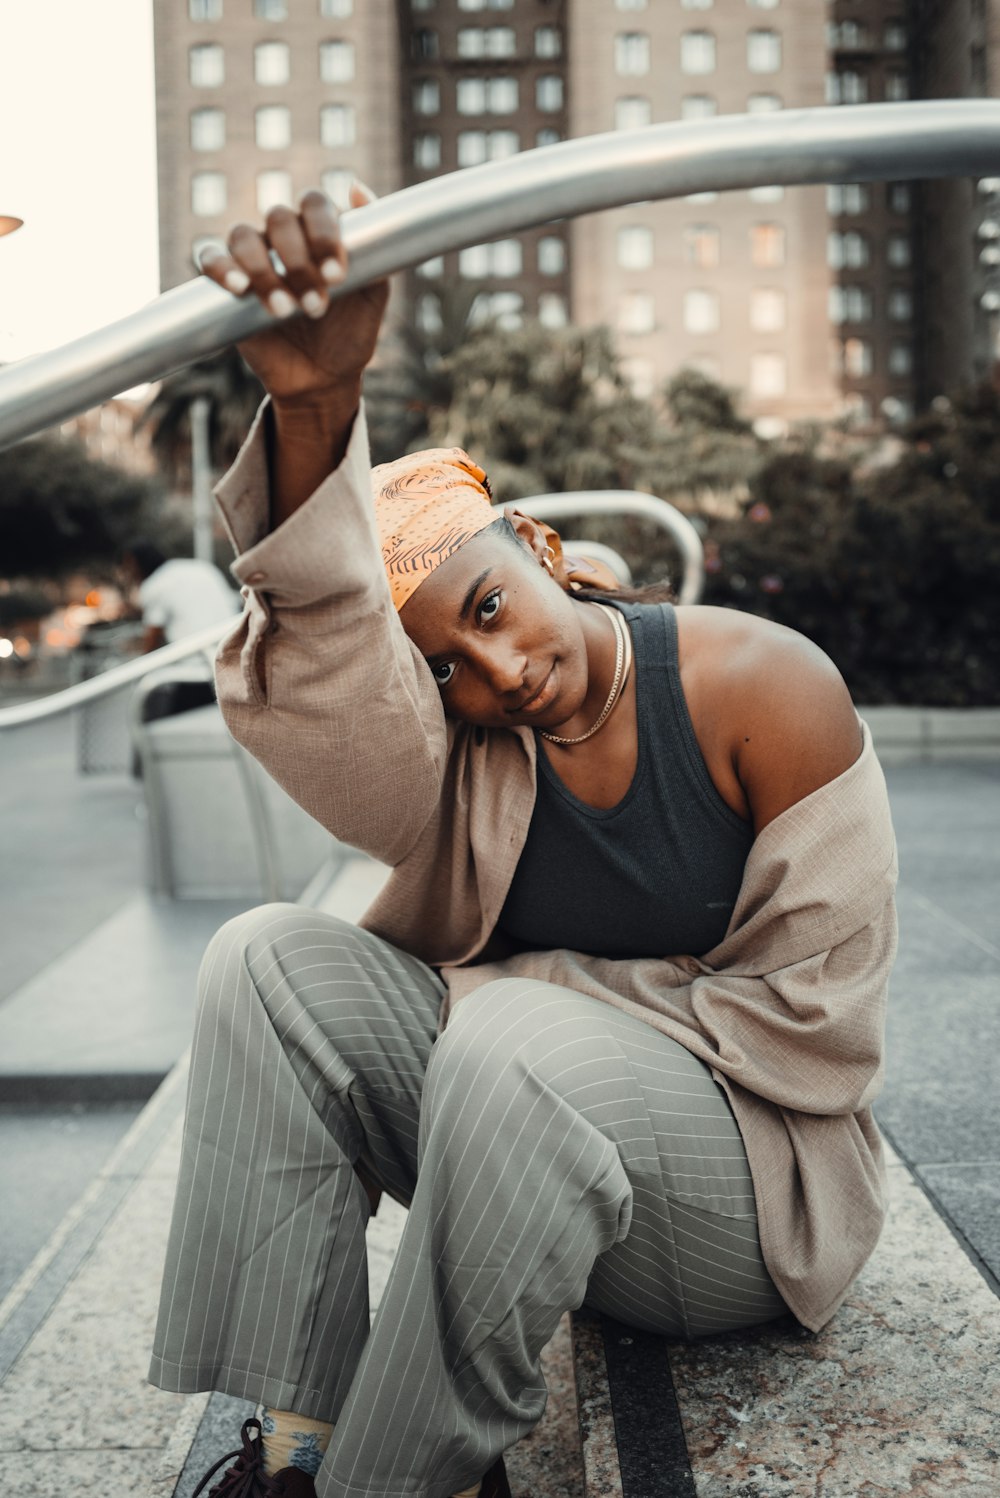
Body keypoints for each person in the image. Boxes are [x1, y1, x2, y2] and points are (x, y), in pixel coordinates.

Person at [148, 186, 897, 1498]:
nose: (499, 670)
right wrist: (319, 407)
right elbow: (326, 670)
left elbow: (816, 1028)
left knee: (505, 1031)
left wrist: (523, 998)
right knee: (265, 958)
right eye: (444, 669)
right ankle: (293, 1444)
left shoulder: (759, 690)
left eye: (493, 604)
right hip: (522, 1149)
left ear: (540, 544)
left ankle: (404, 1477)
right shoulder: (462, 750)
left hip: (743, 1205)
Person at [121, 539, 241, 653]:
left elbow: (153, 640)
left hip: (195, 659)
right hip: (231, 647)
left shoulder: (154, 585)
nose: (128, 572)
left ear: (136, 563)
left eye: (128, 566)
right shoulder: (200, 567)